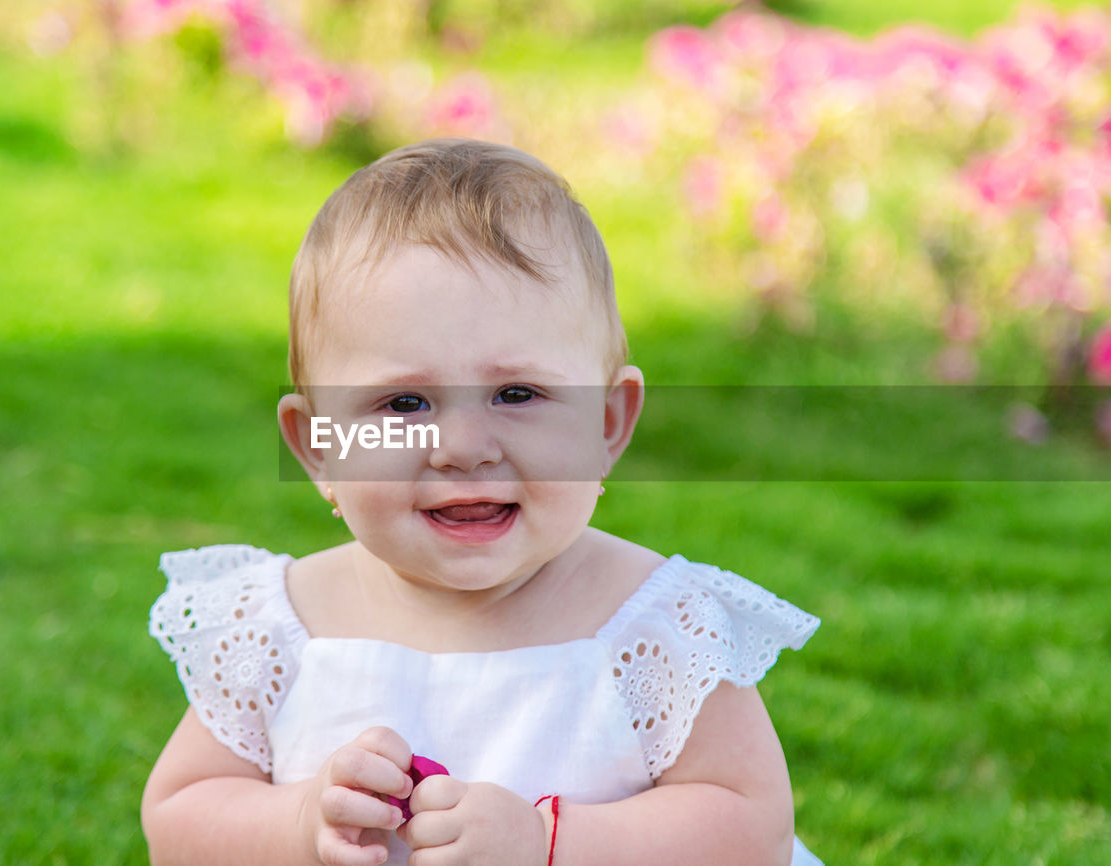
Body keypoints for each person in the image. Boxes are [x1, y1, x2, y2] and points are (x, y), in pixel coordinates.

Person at [141, 138, 823, 866]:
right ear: (318, 447)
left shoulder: (653, 627)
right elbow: (179, 817)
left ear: (606, 424)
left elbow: (751, 829)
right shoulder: (279, 626)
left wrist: (549, 842)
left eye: (517, 394)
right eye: (404, 402)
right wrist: (300, 821)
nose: (463, 447)